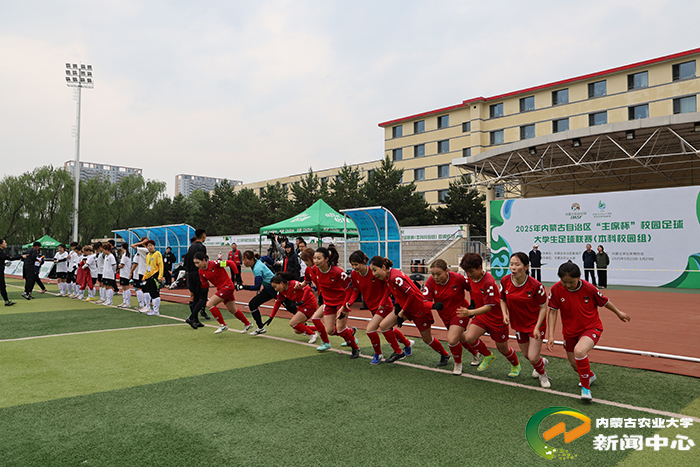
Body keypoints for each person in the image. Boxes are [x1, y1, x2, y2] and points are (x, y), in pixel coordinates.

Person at [546, 261, 630, 401]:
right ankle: (590, 376)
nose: (568, 285)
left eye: (571, 282)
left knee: (579, 351)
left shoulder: (589, 288)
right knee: (574, 364)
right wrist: (550, 336)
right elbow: (553, 312)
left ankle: (586, 390)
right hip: (570, 331)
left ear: (579, 276)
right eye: (564, 282)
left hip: (591, 327)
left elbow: (604, 302)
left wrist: (618, 312)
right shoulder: (556, 289)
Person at [372, 256, 450, 366]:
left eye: (375, 270)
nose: (374, 274)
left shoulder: (395, 277)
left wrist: (402, 310)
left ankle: (445, 354)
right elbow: (395, 291)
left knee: (427, 339)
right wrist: (396, 305)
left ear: (383, 267)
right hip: (407, 308)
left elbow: (412, 294)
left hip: (419, 310)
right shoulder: (388, 277)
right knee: (384, 325)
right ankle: (398, 352)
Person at [457, 253, 522, 377]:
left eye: (471, 271)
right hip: (482, 317)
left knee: (503, 349)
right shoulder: (471, 277)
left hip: (497, 319)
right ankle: (488, 356)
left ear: (480, 267)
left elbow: (488, 307)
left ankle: (516, 365)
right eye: (466, 272)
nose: (469, 274)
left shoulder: (489, 281)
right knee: (469, 337)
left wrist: (470, 312)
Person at [346, 251, 414, 365]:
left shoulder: (374, 271)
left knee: (370, 329)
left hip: (384, 306)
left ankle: (380, 353)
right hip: (372, 306)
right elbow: (356, 290)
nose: (354, 267)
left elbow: (387, 286)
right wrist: (350, 302)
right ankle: (407, 344)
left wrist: (383, 301)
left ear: (364, 262)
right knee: (387, 328)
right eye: (352, 264)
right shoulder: (354, 274)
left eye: (356, 264)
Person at [295, 245, 359, 358]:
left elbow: (349, 290)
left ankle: (355, 348)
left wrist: (343, 306)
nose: (316, 261)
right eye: (315, 258)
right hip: (328, 303)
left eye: (319, 258)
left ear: (326, 259)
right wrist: (300, 285)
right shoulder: (314, 269)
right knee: (330, 330)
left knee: (340, 329)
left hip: (341, 302)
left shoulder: (337, 272)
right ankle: (349, 333)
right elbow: (307, 280)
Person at [500, 252, 550, 388]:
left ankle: (543, 375)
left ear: (526, 267)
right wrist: (504, 314)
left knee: (533, 357)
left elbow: (543, 307)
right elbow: (502, 299)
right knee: (527, 355)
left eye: (517, 264)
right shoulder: (505, 281)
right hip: (518, 324)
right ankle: (541, 362)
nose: (513, 268)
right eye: (511, 264)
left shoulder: (536, 285)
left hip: (535, 323)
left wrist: (537, 327)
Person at [423, 259, 481, 375]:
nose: (435, 277)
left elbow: (472, 287)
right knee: (461, 338)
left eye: (438, 274)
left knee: (452, 339)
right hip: (445, 316)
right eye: (433, 274)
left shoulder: (457, 278)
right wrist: (433, 305)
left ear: (446, 271)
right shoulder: (430, 282)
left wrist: (473, 302)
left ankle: (458, 364)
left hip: (460, 312)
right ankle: (475, 353)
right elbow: (424, 301)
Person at [192, 251, 252, 333]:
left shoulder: (215, 264)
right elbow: (205, 284)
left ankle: (222, 325)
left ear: (204, 260)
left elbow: (230, 263)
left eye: (197, 262)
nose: (196, 265)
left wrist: (237, 277)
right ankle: (248, 324)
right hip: (221, 289)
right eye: (195, 263)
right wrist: (199, 285)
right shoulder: (201, 271)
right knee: (232, 309)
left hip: (227, 287)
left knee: (210, 304)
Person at [240, 249, 287, 335]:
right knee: (252, 304)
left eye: (245, 260)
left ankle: (305, 324)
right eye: (243, 260)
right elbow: (265, 258)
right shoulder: (258, 261)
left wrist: (243, 287)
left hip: (276, 289)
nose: (244, 262)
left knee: (291, 307)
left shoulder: (257, 269)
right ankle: (261, 327)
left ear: (251, 259)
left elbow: (257, 287)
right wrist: (273, 264)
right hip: (268, 290)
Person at [268, 272, 318, 343]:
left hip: (310, 304)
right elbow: (277, 304)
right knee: (297, 330)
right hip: (301, 306)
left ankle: (313, 334)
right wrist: (271, 317)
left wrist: (302, 301)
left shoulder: (293, 284)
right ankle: (319, 327)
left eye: (275, 286)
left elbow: (307, 288)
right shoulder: (281, 292)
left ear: (281, 283)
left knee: (293, 323)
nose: (275, 289)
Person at [183, 229, 211, 325]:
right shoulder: (202, 247)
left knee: (195, 297)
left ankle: (196, 320)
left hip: (190, 274)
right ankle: (191, 318)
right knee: (203, 298)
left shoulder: (191, 247)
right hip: (199, 274)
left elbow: (186, 262)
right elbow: (203, 263)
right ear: (203, 236)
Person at [0, 238, 18, 306]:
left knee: (2, 287)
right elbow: (10, 258)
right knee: (2, 287)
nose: (6, 244)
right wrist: (21, 256)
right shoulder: (1, 252)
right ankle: (6, 301)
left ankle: (6, 301)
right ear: (0, 244)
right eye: (4, 242)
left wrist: (3, 264)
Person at [117, 243, 133, 308]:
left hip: (125, 273)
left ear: (122, 247)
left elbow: (121, 265)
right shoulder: (127, 254)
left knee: (126, 288)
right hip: (124, 273)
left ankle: (127, 303)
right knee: (124, 288)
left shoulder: (125, 255)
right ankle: (124, 302)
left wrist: (119, 265)